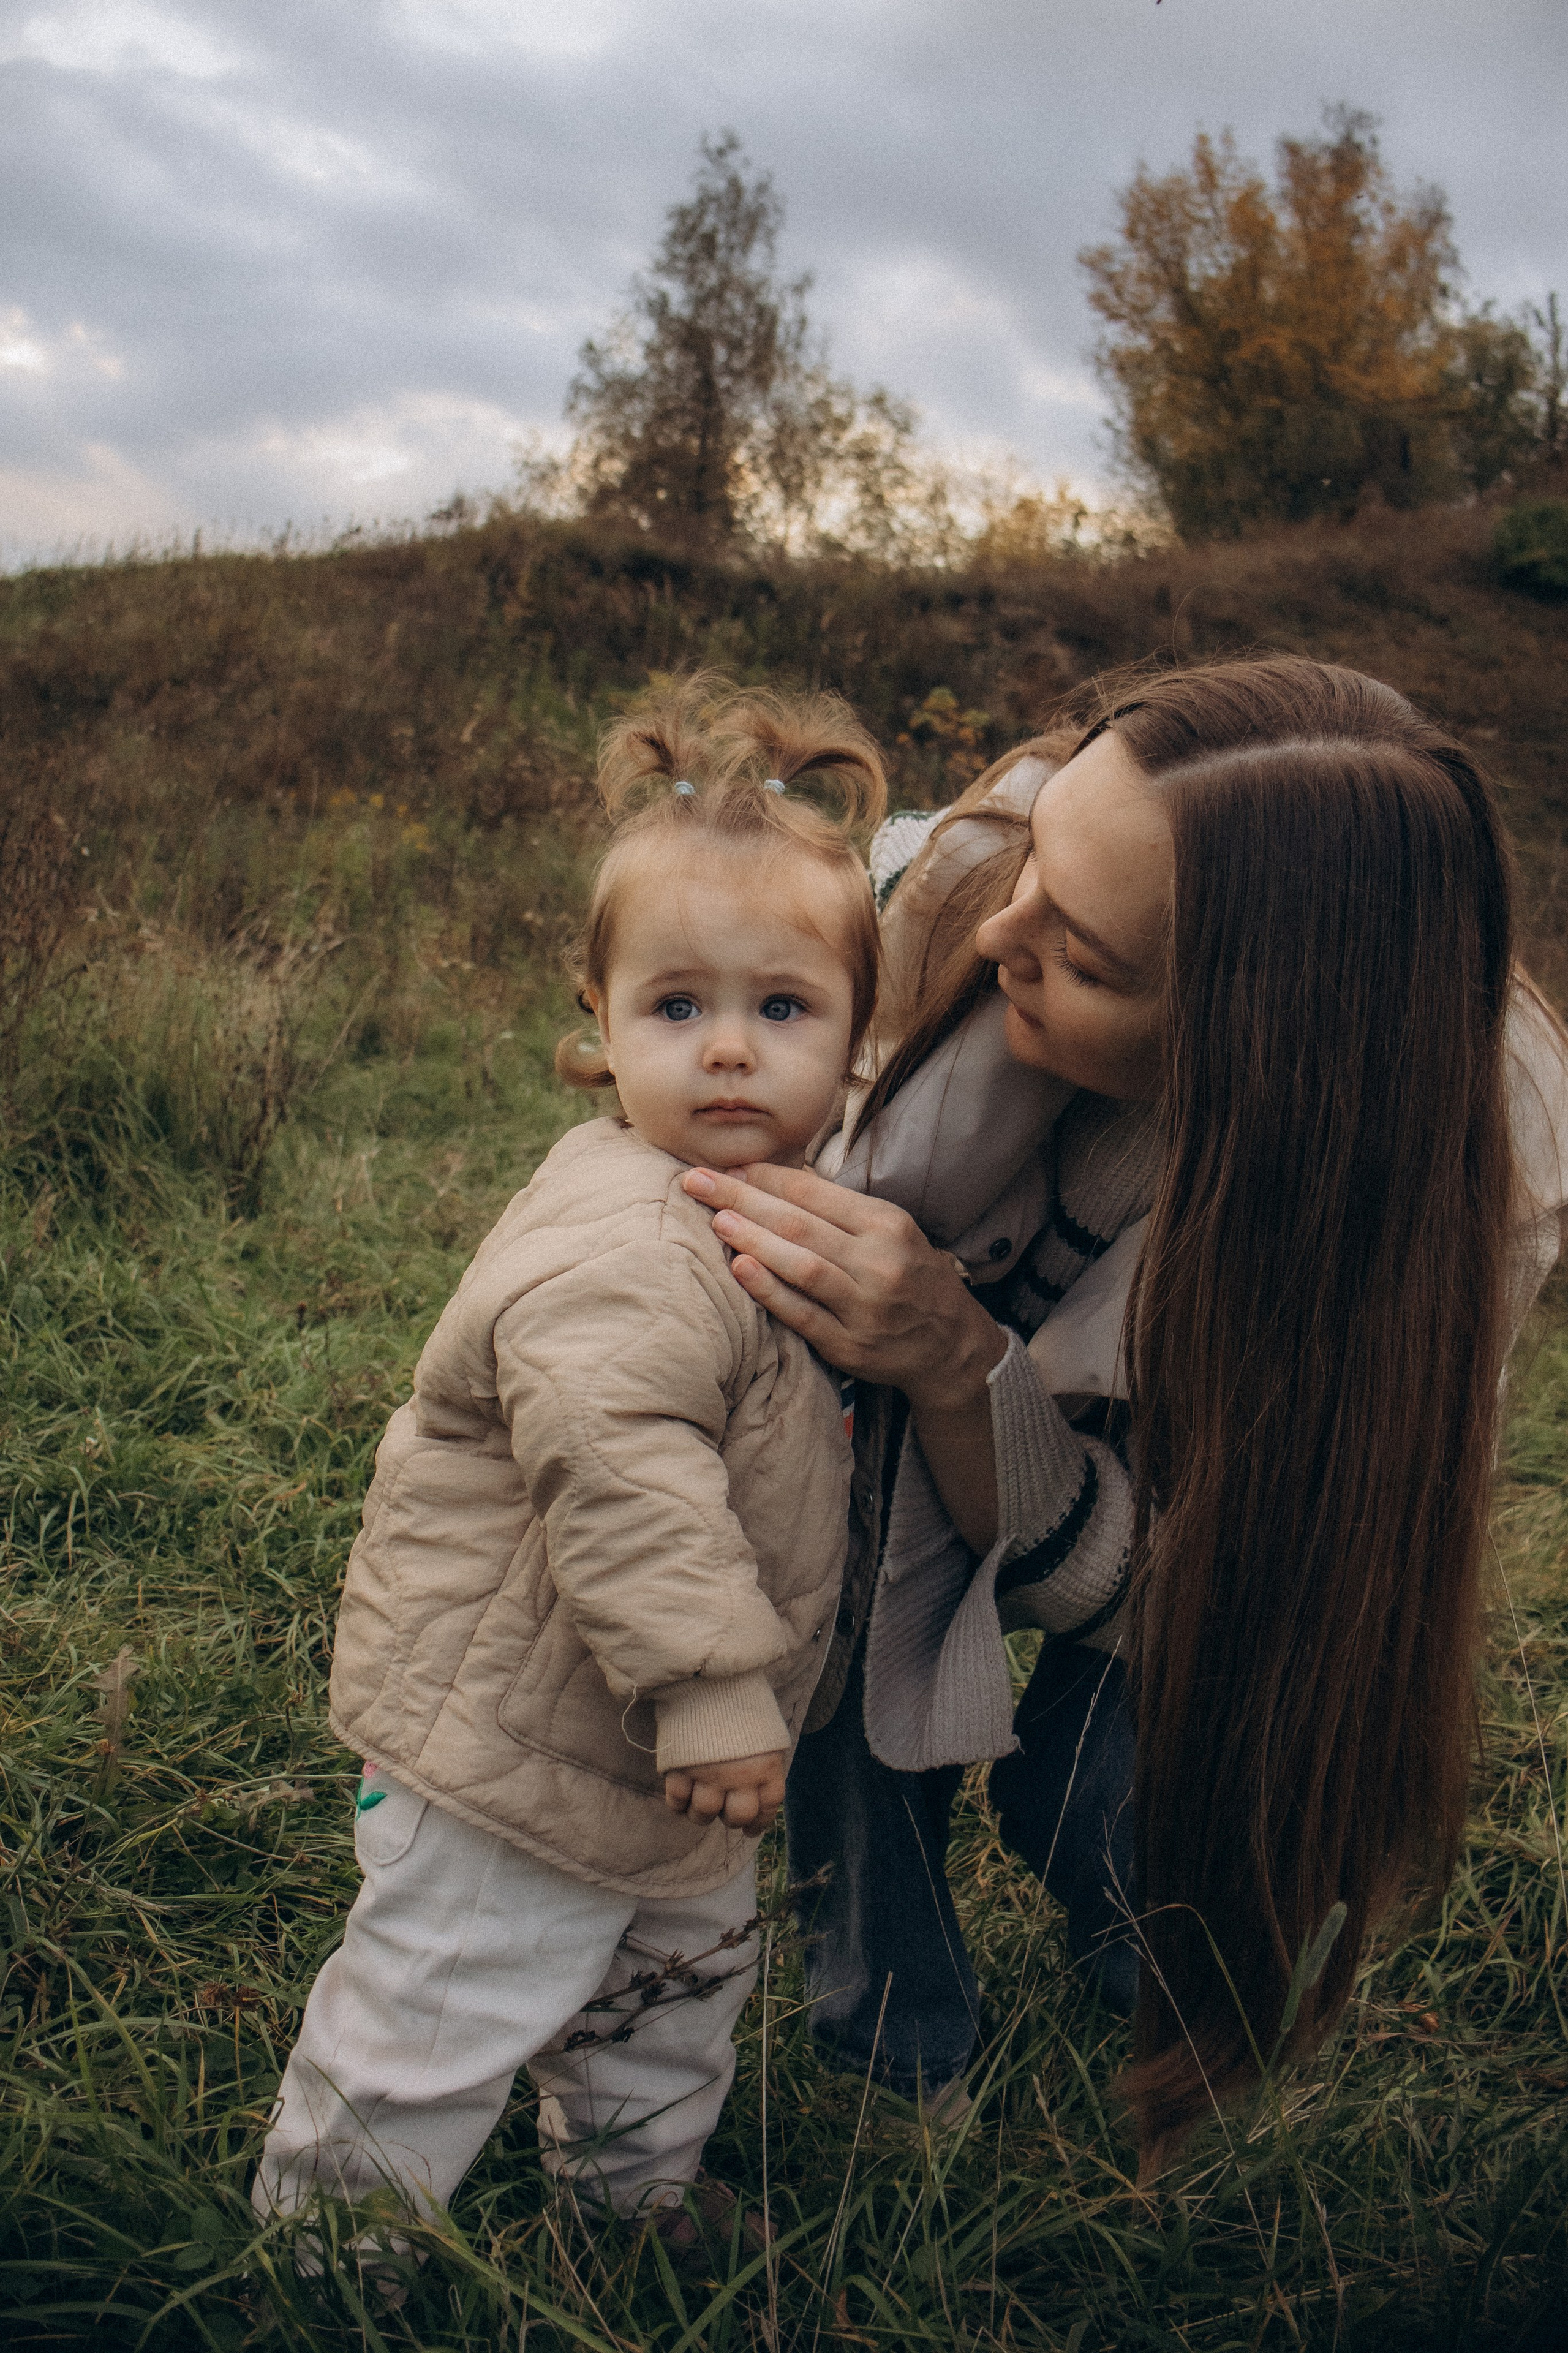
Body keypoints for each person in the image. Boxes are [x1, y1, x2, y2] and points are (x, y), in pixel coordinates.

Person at [679, 657, 1568, 2175]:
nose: (999, 926)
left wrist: (967, 1366)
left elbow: (1223, 1589)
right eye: (1035, 862)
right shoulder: (985, 868)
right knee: (828, 1594)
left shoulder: (1479, 1171)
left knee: (1112, 1799)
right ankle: (886, 2043)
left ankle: (1177, 1975)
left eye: (1080, 954)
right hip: (889, 1416)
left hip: (1172, 1509)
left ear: (1245, 1046)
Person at [252, 680, 886, 2233]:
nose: (728, 1051)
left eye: (781, 1009)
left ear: (859, 1038)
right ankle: (329, 2254)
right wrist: (714, 1687)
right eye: (677, 1008)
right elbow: (623, 1465)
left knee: (669, 1988)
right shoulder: (626, 1242)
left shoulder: (761, 1206)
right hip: (523, 1746)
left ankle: (630, 2204)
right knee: (446, 1999)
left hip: (660, 1761)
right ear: (597, 1022)